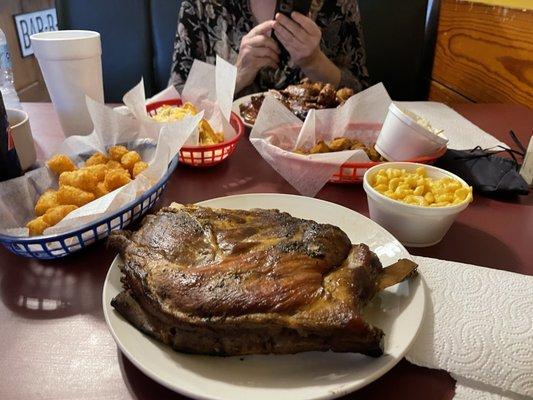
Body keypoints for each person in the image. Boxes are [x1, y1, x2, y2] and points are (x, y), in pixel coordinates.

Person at [170, 0, 370, 97]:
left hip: (317, 155)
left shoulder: (338, 4)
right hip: (225, 158)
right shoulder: (201, 6)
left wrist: (315, 62)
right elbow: (177, 105)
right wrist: (236, 75)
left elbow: (366, 98)